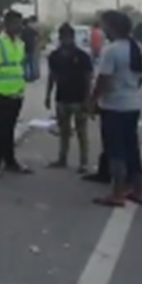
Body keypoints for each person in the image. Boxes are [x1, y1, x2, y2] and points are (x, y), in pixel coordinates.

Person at [89, 10, 142, 207]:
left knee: (115, 150)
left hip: (114, 106)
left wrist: (92, 101)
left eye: (104, 25)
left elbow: (104, 80)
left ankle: (117, 193)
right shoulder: (137, 48)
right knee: (131, 148)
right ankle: (137, 188)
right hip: (132, 104)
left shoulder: (112, 50)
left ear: (113, 27)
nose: (103, 29)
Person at [0, 10, 33, 177]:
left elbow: (20, 64)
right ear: (7, 24)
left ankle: (10, 160)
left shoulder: (20, 43)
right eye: (16, 23)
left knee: (10, 127)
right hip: (1, 91)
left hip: (17, 90)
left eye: (20, 23)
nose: (19, 27)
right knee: (1, 128)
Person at [46, 23, 94, 173]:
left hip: (79, 98)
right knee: (64, 131)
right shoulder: (54, 56)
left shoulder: (83, 56)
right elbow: (52, 76)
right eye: (63, 36)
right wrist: (48, 95)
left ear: (72, 38)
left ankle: (84, 162)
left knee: (81, 132)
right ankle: (62, 158)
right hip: (62, 98)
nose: (65, 39)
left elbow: (88, 78)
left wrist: (88, 99)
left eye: (67, 36)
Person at [21, 16, 41, 82]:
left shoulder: (22, 31)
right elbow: (37, 35)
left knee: (25, 64)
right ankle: (33, 76)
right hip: (31, 47)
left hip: (24, 48)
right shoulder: (30, 29)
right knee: (31, 63)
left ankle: (26, 76)